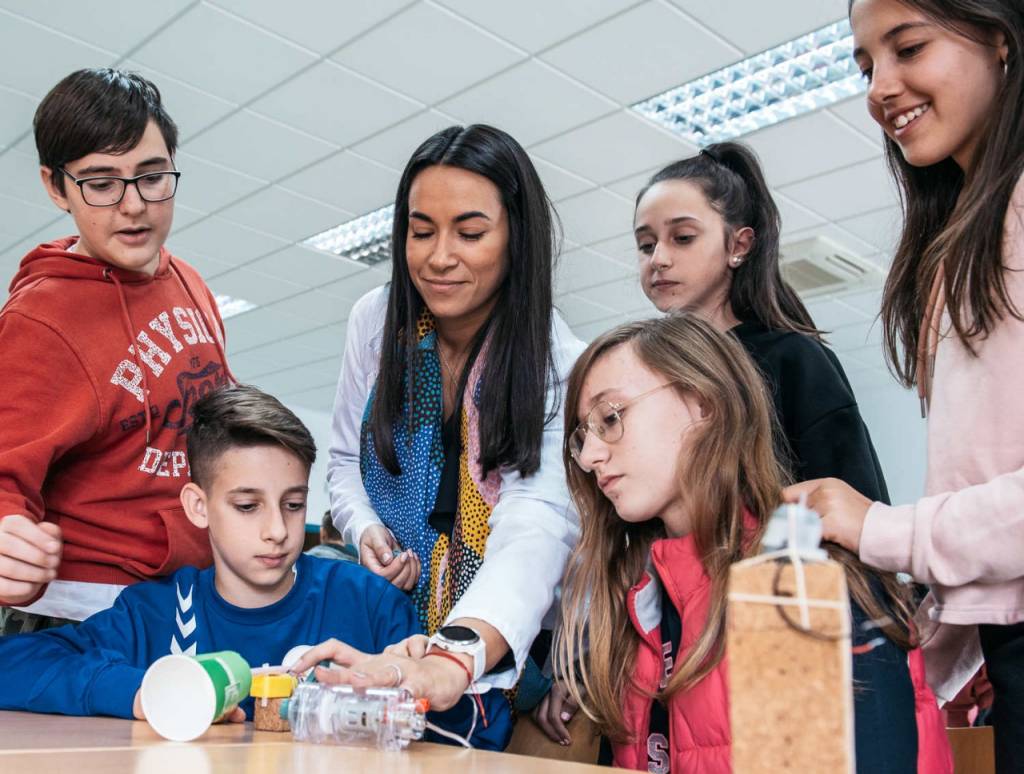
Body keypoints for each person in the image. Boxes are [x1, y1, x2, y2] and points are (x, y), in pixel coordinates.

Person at [536, 142, 934, 773]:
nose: (659, 258)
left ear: (739, 245)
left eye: (682, 238)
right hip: (685, 616)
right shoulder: (643, 565)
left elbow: (845, 515)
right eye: (645, 245)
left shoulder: (793, 361)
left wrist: (797, 597)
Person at [0, 385, 507, 748]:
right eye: (247, 506)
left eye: (293, 504)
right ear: (199, 506)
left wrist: (412, 684)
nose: (277, 531)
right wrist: (144, 693)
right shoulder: (151, 613)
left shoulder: (369, 602)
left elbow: (478, 731)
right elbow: (12, 667)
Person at [550, 314, 948, 773]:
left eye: (611, 417)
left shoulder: (797, 580)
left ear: (703, 403)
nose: (591, 455)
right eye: (583, 436)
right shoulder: (641, 599)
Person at [790, 1, 1024, 769]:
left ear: (1000, 38)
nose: (881, 87)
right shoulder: (962, 239)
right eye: (865, 65)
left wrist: (884, 530)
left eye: (909, 46)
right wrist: (919, 649)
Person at [324, 124, 584, 720]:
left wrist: (455, 657)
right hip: (387, 627)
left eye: (470, 233)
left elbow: (537, 525)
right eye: (420, 232)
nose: (439, 257)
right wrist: (365, 531)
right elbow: (342, 461)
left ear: (516, 238)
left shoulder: (556, 363)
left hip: (495, 646)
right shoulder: (376, 322)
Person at [0, 68, 231, 634]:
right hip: (80, 617)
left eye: (151, 177)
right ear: (56, 187)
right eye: (101, 183)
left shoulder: (192, 283)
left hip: (188, 597)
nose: (133, 206)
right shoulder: (39, 318)